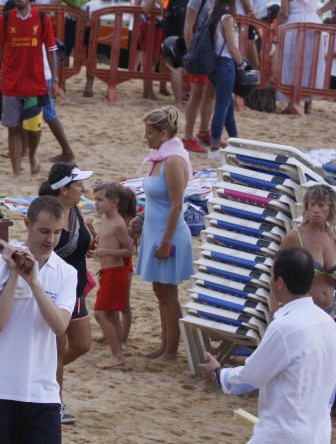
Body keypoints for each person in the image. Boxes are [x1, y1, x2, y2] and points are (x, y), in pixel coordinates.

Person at [199, 247, 336, 444]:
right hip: (318, 433)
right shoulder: (328, 323)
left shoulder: (284, 328)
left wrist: (219, 374)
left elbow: (253, 375)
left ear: (280, 283)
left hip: (282, 435)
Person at [0, 196, 76, 444]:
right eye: (43, 231)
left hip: (43, 394)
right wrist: (14, 275)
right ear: (27, 223)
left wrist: (33, 282)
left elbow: (59, 326)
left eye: (56, 232)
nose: (50, 240)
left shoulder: (67, 273)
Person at [135, 106, 193, 364]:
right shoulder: (160, 158)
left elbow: (177, 205)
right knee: (161, 291)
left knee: (169, 293)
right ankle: (164, 345)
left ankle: (171, 351)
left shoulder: (173, 161)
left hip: (168, 234)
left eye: (150, 132)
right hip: (155, 230)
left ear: (164, 133)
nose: (146, 137)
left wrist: (166, 242)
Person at [39, 161, 93, 424]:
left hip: (77, 287)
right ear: (64, 190)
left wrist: (89, 246)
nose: (82, 188)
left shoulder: (74, 212)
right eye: (78, 184)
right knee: (58, 349)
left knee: (82, 344)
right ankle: (55, 403)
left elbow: (80, 243)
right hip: (55, 288)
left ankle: (41, 371)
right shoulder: (50, 216)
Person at [0, 0, 61, 176]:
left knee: (34, 128)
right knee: (12, 128)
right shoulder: (5, 19)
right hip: (11, 84)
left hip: (35, 84)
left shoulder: (42, 18)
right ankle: (15, 171)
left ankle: (32, 155)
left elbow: (51, 50)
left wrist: (55, 80)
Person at [276, 0, 336, 115]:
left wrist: (275, 26)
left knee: (292, 62)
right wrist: (320, 12)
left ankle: (292, 102)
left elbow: (283, 12)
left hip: (294, 25)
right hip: (314, 23)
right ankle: (308, 104)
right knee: (312, 63)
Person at [181, 0, 230, 153]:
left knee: (210, 94)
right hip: (201, 51)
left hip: (216, 51)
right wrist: (190, 51)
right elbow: (188, 25)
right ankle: (187, 136)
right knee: (197, 94)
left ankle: (203, 131)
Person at [90, 182, 136, 368]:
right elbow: (106, 245)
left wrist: (106, 253)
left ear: (114, 202)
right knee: (110, 312)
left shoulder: (118, 224)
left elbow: (128, 251)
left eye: (100, 200)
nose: (96, 204)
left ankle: (117, 354)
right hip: (108, 271)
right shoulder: (107, 220)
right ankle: (118, 349)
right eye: (96, 200)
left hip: (116, 272)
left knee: (100, 314)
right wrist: (97, 251)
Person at [202, 0, 245, 156]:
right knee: (222, 105)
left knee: (226, 104)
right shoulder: (227, 18)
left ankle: (236, 139)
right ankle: (214, 146)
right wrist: (241, 64)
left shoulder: (213, 13)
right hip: (226, 63)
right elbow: (233, 47)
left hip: (215, 64)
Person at [278, 183, 336, 312]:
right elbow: (275, 275)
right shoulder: (295, 237)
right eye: (312, 204)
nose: (316, 210)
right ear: (306, 207)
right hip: (302, 311)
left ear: (331, 208)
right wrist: (274, 310)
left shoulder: (333, 237)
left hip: (329, 311)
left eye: (321, 205)